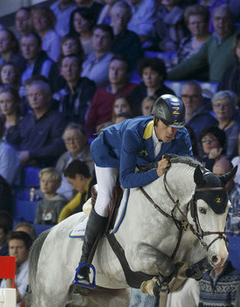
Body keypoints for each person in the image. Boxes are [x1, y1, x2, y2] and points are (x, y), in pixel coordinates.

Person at [73, 94, 192, 286]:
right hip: (109, 153)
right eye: (167, 125)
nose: (172, 131)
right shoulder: (133, 132)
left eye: (176, 126)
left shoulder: (181, 135)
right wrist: (157, 173)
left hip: (143, 160)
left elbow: (186, 171)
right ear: (155, 120)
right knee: (105, 199)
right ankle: (84, 264)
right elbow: (127, 180)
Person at [166, 5, 238, 83]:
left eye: (225, 19)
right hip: (212, 87)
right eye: (217, 19)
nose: (221, 22)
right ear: (213, 21)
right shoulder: (212, 39)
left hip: (230, 87)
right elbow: (193, 63)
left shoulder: (239, 39)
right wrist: (164, 76)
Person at [9, 78, 66, 168]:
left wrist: (31, 154)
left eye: (38, 95)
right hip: (20, 165)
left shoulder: (58, 119)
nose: (34, 99)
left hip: (43, 168)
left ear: (48, 97)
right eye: (30, 95)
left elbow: (58, 147)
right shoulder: (26, 119)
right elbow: (16, 141)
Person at [0, 230, 33, 307]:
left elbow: (14, 297)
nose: (14, 251)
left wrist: (9, 276)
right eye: (11, 248)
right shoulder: (8, 266)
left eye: (19, 248)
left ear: (28, 249)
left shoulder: (31, 269)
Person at [56, 54, 96, 125]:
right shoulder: (63, 91)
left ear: (80, 69)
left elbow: (85, 118)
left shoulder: (89, 89)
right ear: (61, 71)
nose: (69, 69)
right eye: (65, 66)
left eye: (73, 66)